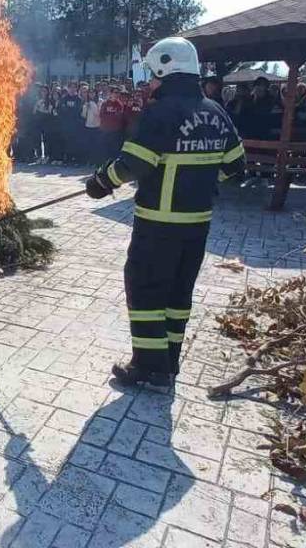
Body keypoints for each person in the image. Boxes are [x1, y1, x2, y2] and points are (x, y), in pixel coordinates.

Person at [84, 37, 246, 386]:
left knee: (145, 289)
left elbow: (133, 164)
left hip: (159, 221)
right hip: (198, 223)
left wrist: (100, 183)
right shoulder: (216, 111)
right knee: (177, 293)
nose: (150, 83)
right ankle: (169, 361)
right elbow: (236, 167)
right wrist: (199, 179)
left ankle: (148, 367)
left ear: (164, 70)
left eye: (153, 76)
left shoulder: (160, 113)